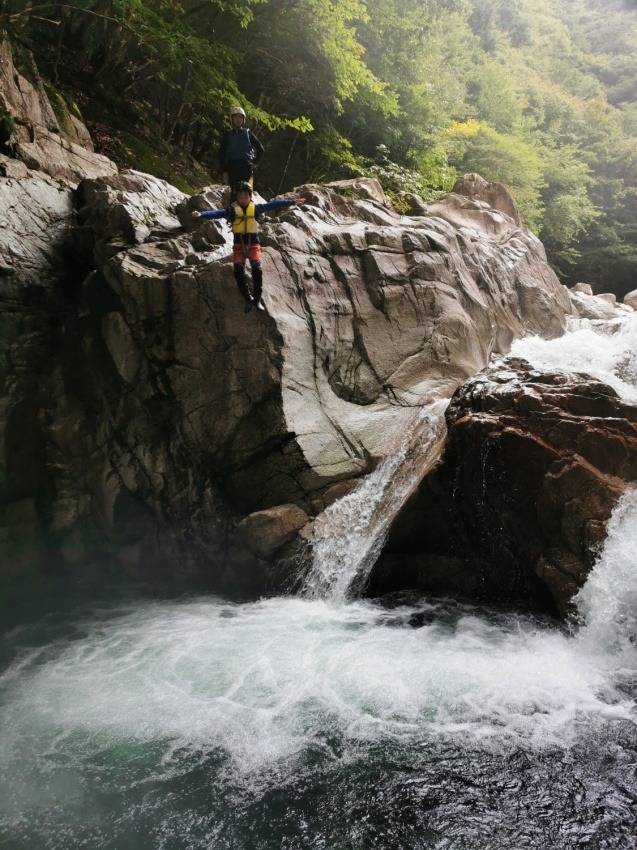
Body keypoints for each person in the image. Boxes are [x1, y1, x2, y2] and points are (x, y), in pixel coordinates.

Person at [192, 182, 305, 313]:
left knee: (257, 270)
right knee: (238, 271)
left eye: (246, 196)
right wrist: (201, 214)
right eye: (240, 196)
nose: (243, 199)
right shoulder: (232, 211)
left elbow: (273, 205)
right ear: (237, 198)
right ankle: (248, 299)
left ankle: (256, 300)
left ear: (250, 197)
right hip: (239, 245)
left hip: (253, 244)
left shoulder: (256, 208)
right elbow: (217, 213)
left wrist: (292, 202)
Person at [219, 106, 264, 199]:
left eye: (240, 117)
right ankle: (232, 212)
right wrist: (224, 171)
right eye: (236, 117)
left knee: (246, 196)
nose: (238, 119)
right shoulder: (227, 135)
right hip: (232, 168)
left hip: (246, 169)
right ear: (232, 119)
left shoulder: (249, 134)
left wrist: (254, 163)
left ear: (243, 119)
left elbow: (260, 149)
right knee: (233, 196)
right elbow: (222, 154)